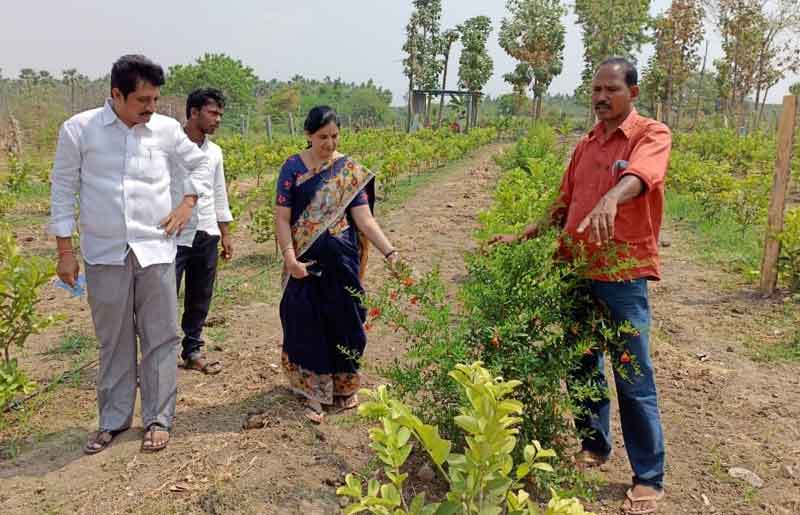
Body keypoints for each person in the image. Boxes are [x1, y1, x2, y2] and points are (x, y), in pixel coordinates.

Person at [491, 57, 670, 514]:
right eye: (596, 89)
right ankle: (594, 445)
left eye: (611, 89)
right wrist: (523, 235)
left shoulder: (650, 134)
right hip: (576, 272)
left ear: (632, 92)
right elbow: (563, 203)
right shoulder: (586, 145)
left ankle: (649, 477)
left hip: (623, 276)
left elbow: (642, 177)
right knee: (582, 363)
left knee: (633, 375)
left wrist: (612, 196)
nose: (601, 97)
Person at [50, 55, 211, 454]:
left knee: (161, 337)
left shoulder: (166, 130)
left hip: (155, 249)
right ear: (116, 95)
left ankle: (158, 418)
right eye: (142, 100)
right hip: (103, 252)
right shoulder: (80, 130)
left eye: (155, 99)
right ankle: (113, 419)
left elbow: (200, 164)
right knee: (114, 339)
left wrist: (187, 203)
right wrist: (65, 250)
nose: (151, 107)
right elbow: (62, 189)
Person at [275, 106, 400, 423]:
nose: (329, 143)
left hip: (342, 262)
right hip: (304, 263)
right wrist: (289, 257)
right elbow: (282, 218)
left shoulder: (348, 171)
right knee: (305, 323)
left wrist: (391, 253)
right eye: (322, 137)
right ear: (308, 135)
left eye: (334, 136)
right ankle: (313, 393)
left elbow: (364, 220)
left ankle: (345, 386)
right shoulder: (292, 168)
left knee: (347, 320)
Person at [172, 88, 233, 375]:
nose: (217, 119)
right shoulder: (169, 146)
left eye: (220, 114)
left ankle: (192, 350)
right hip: (172, 234)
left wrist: (225, 233)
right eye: (212, 113)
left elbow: (219, 193)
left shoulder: (215, 152)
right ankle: (157, 356)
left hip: (206, 232)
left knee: (200, 295)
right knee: (163, 297)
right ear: (193, 112)